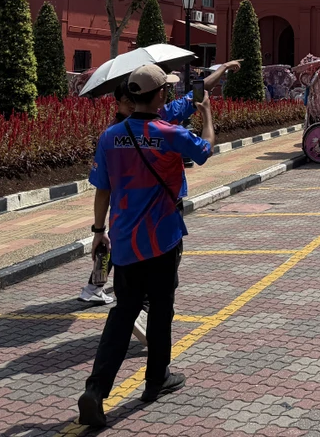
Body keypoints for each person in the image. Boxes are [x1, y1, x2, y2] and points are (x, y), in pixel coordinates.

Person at [77, 64, 215, 429]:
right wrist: (207, 115)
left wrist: (98, 231)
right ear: (159, 96)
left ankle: (96, 389)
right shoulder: (169, 133)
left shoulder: (110, 137)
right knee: (161, 308)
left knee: (124, 312)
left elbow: (102, 189)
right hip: (162, 238)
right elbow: (205, 150)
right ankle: (156, 379)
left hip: (124, 241)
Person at [78, 59, 240, 309]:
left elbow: (196, 92)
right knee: (155, 283)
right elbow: (203, 142)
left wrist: (222, 69)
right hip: (158, 217)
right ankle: (116, 296)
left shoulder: (115, 133)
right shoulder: (159, 125)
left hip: (127, 218)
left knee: (122, 253)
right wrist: (208, 112)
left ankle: (100, 289)